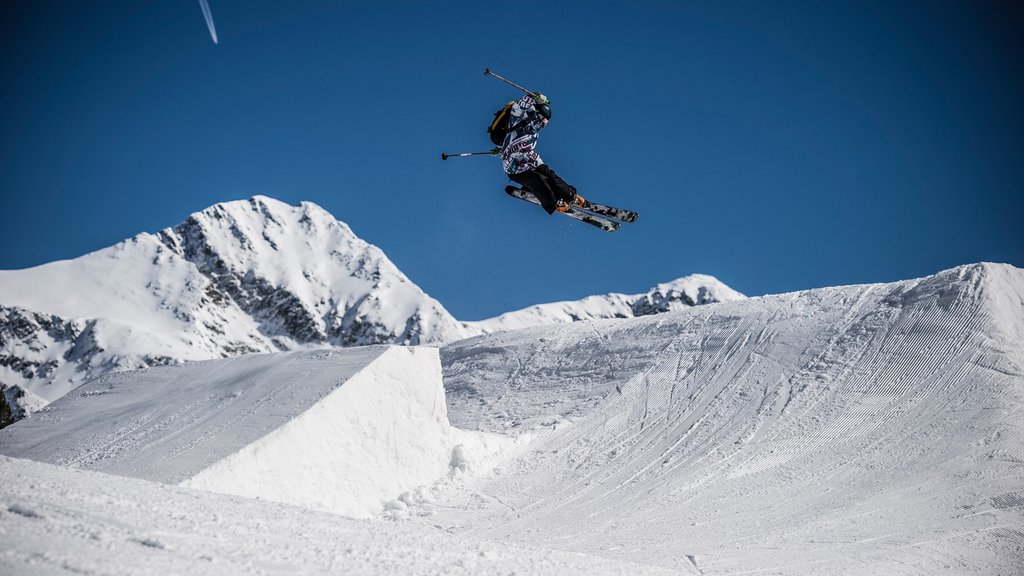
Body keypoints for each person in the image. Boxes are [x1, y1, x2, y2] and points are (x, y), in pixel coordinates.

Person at [500, 93, 583, 214]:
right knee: (538, 179)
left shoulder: (535, 133)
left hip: (529, 163)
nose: (544, 125)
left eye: (546, 122)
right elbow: (519, 106)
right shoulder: (517, 120)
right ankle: (553, 203)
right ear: (538, 115)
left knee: (549, 175)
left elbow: (527, 150)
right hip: (515, 170)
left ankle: (569, 195)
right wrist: (533, 97)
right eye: (544, 120)